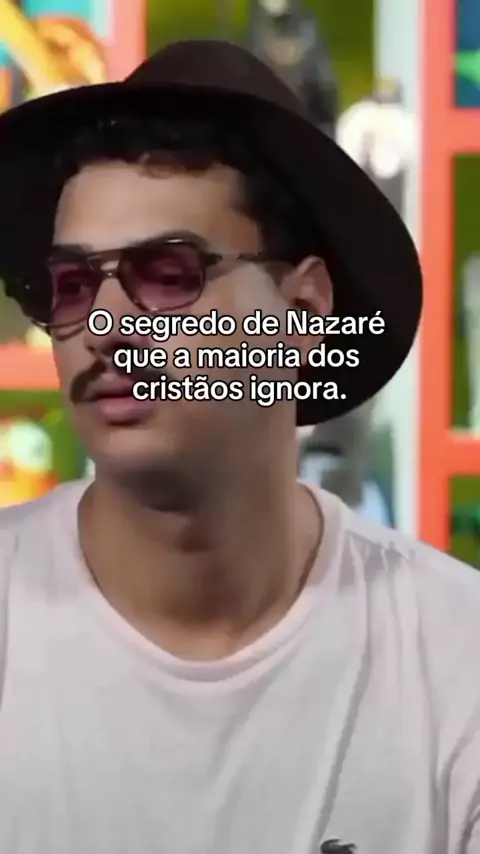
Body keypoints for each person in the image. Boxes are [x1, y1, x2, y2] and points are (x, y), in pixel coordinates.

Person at [0, 38, 476, 854]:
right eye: (74, 286)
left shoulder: (456, 658)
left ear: (304, 313)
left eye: (168, 273)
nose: (105, 328)